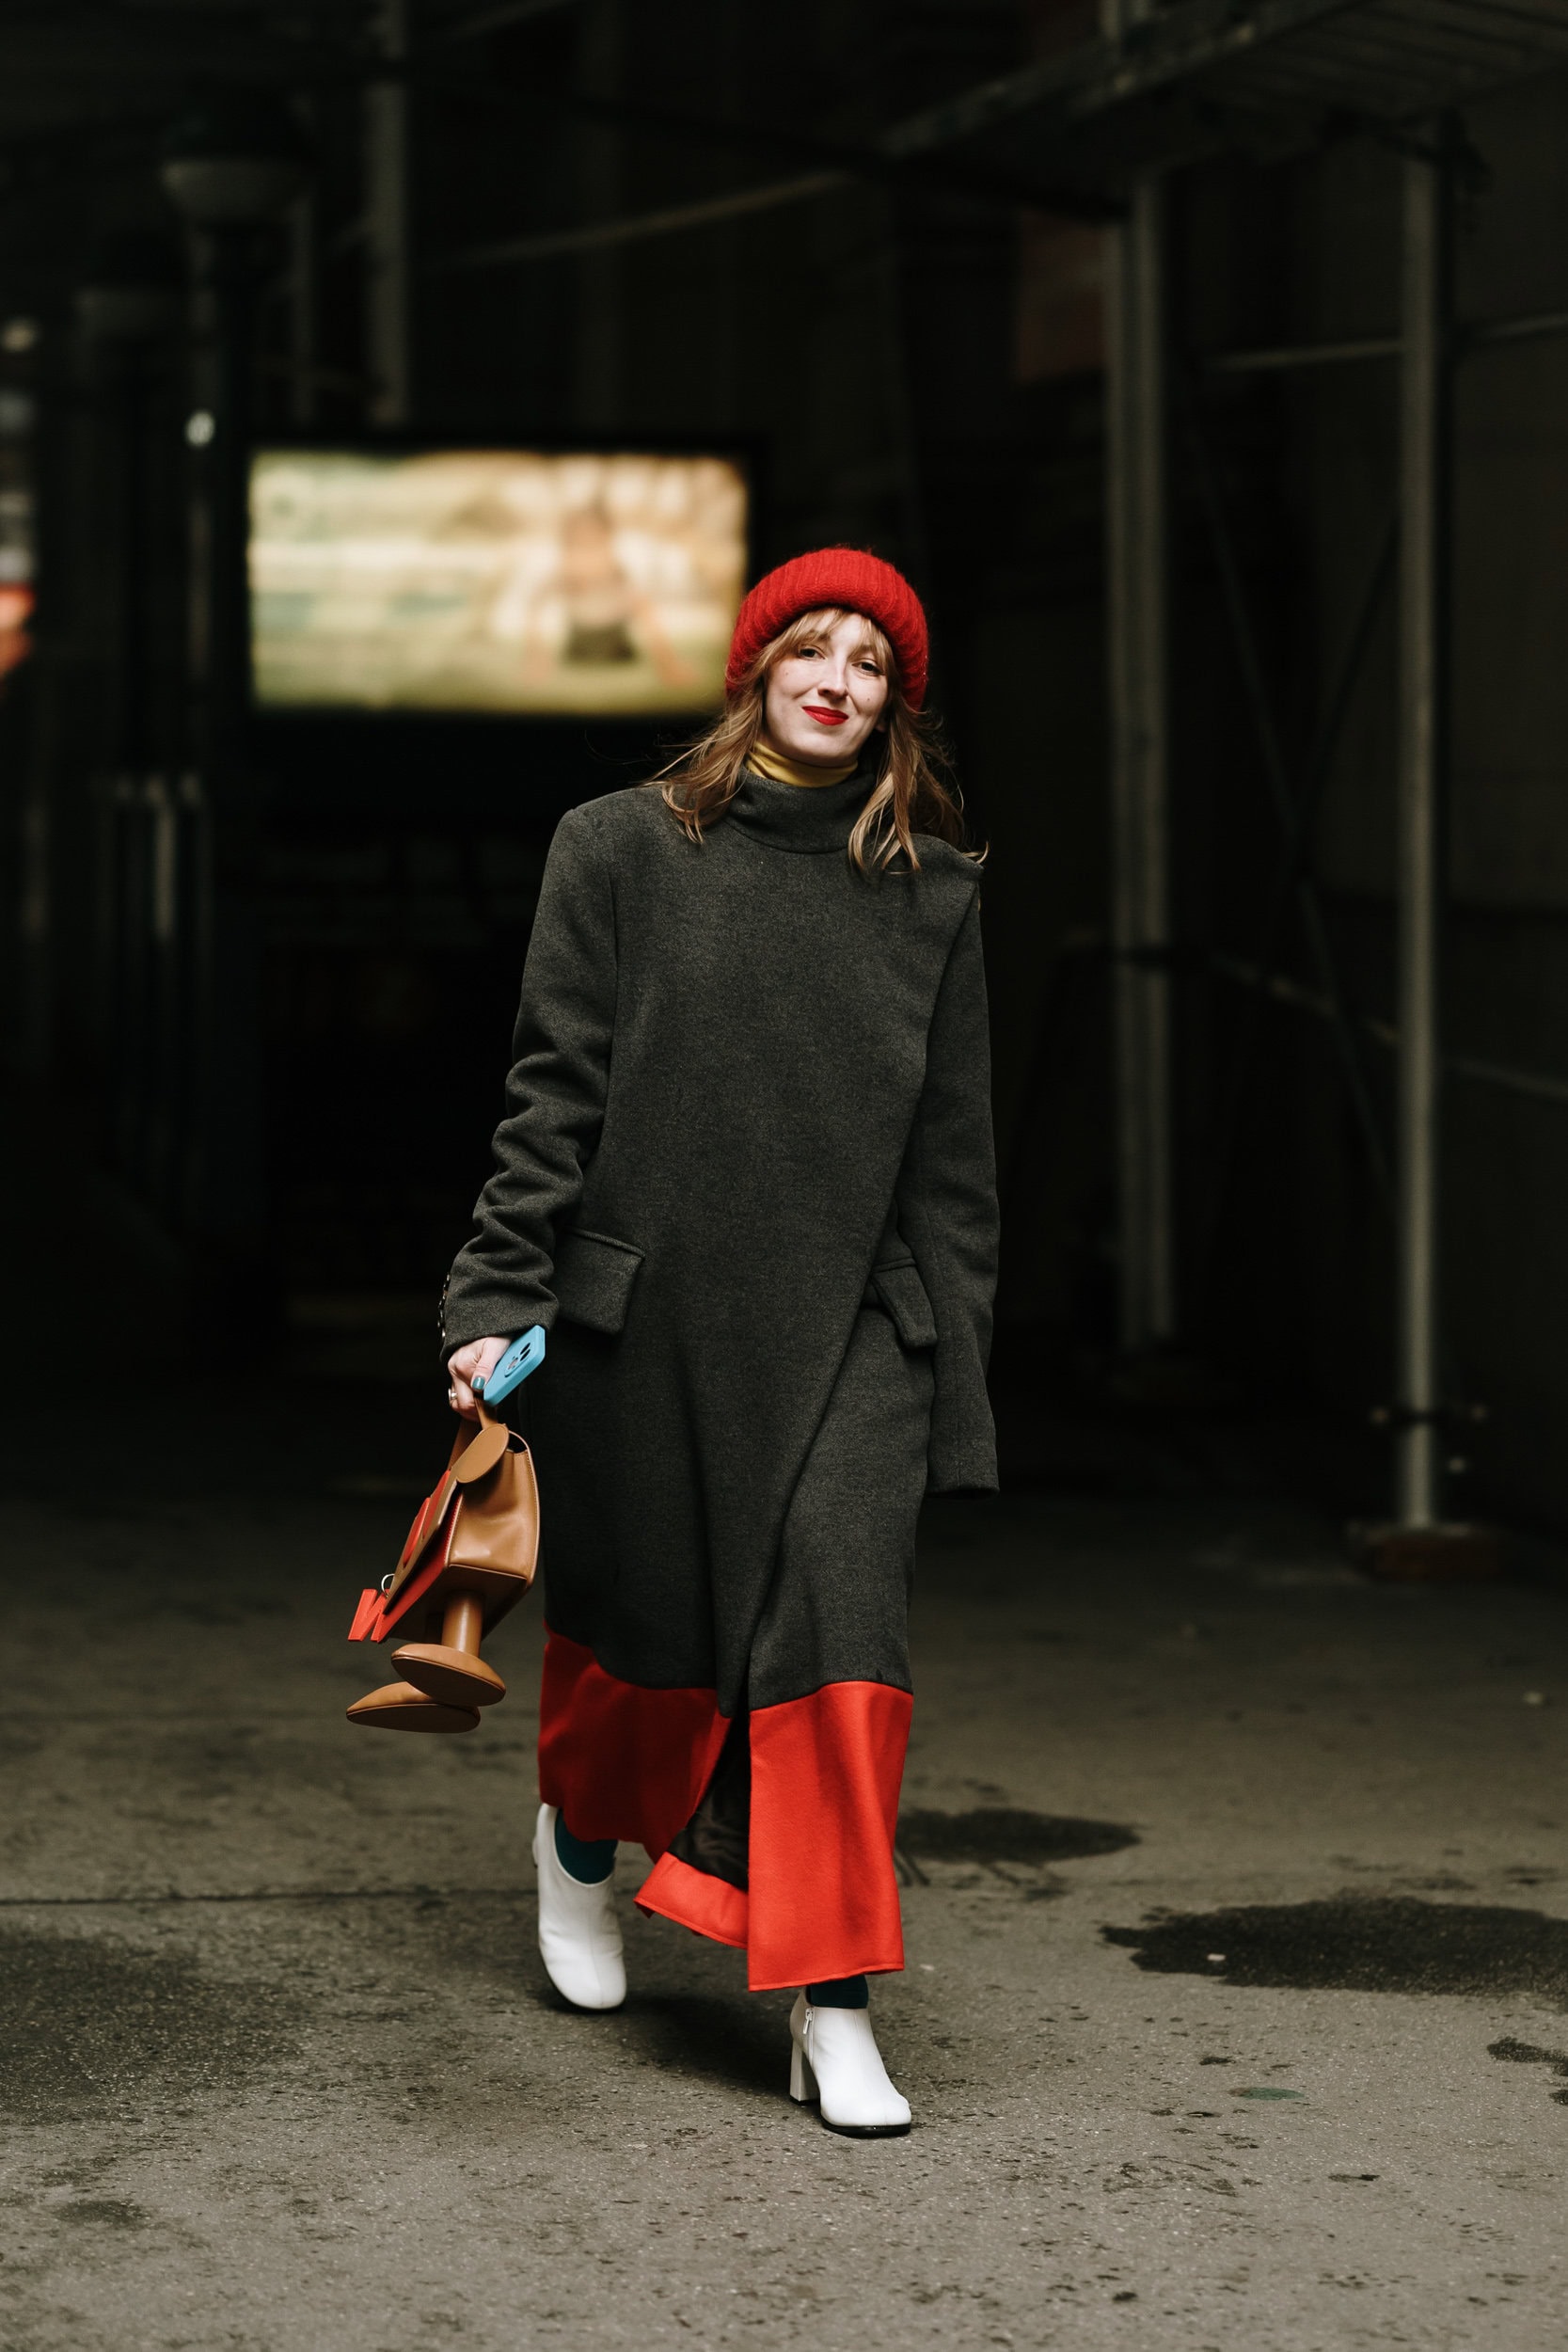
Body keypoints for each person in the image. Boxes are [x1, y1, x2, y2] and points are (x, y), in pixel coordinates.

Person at [441, 546, 998, 2136]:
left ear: (897, 706)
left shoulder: (935, 894)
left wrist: (953, 1374)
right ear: (755, 669)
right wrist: (495, 1295)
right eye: (810, 648)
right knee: (650, 1643)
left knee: (839, 1642)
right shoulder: (619, 849)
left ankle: (835, 2003)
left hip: (857, 1333)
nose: (837, 681)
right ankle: (578, 1839)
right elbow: (551, 1093)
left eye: (871, 664)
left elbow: (957, 1167)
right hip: (656, 1318)